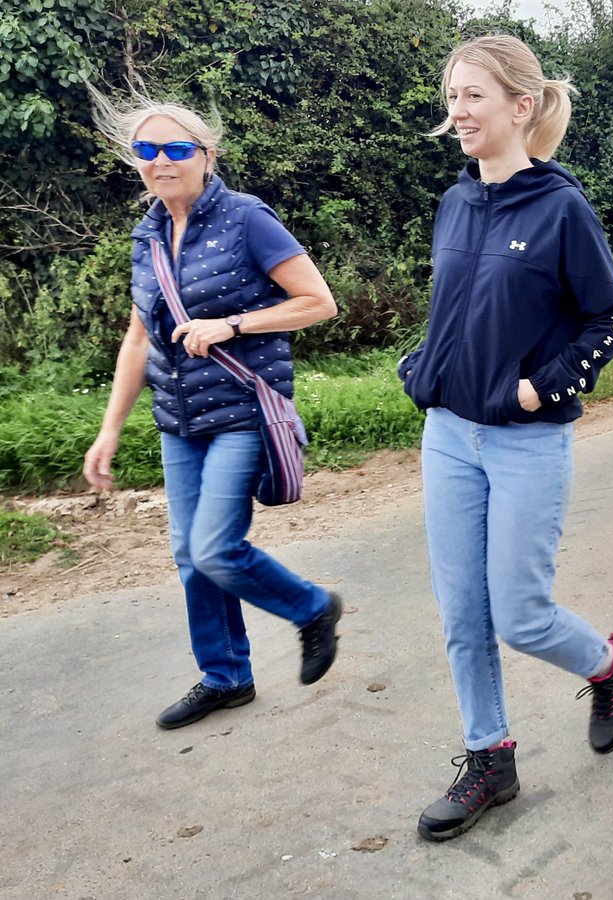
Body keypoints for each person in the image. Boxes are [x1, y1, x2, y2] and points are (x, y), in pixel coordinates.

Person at [397, 35, 613, 843]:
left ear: (521, 106)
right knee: (463, 614)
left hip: (525, 440)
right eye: (452, 96)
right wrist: (422, 362)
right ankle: (489, 759)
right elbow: (456, 309)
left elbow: (611, 318)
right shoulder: (455, 202)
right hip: (447, 436)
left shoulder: (561, 209)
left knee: (520, 615)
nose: (456, 111)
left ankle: (610, 666)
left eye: (473, 96)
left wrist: (546, 384)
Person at [83, 93, 343, 729]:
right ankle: (225, 676)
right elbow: (140, 338)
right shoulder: (146, 238)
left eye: (177, 149)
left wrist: (231, 323)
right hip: (180, 421)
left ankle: (311, 607)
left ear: (207, 156)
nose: (162, 160)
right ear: (134, 160)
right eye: (147, 150)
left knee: (217, 549)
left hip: (242, 411)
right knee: (187, 553)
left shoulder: (247, 218)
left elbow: (317, 302)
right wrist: (109, 429)